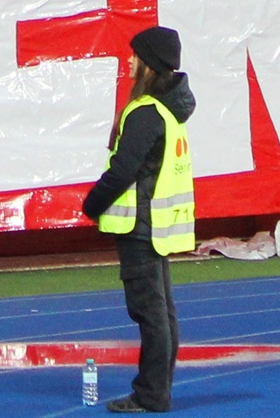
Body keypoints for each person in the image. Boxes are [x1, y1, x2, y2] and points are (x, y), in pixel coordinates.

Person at [82, 26, 195, 413]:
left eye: (135, 55)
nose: (129, 61)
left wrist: (92, 204)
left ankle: (151, 394)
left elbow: (123, 170)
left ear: (149, 63)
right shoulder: (167, 110)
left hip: (139, 224)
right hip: (156, 224)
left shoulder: (146, 112)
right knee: (162, 312)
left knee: (150, 313)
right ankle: (157, 390)